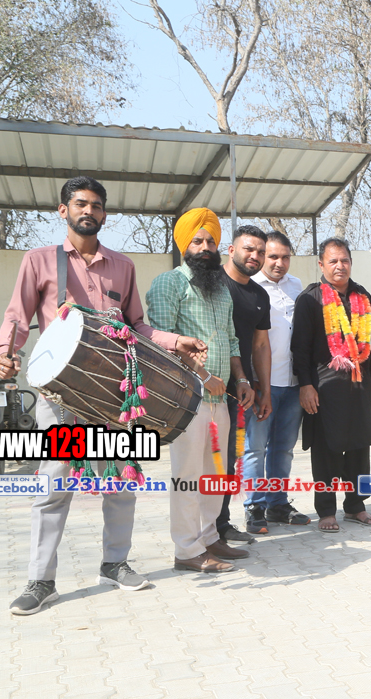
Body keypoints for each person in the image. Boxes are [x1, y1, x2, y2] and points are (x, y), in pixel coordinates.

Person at [0, 176, 207, 614]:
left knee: (120, 481)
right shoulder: (39, 261)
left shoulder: (122, 266)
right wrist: (4, 355)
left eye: (95, 205)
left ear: (105, 214)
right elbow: (16, 317)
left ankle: (115, 564)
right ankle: (41, 580)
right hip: (61, 396)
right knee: (55, 484)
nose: (88, 210)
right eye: (80, 203)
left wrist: (174, 342)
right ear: (63, 210)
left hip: (114, 397)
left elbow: (136, 326)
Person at [147, 208, 256, 573]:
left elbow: (232, 340)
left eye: (210, 240)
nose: (206, 247)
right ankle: (186, 550)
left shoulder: (221, 288)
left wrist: (241, 380)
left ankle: (210, 538)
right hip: (186, 399)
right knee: (187, 476)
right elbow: (162, 342)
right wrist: (203, 376)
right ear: (184, 245)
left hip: (219, 397)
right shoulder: (169, 283)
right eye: (197, 240)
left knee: (215, 474)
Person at [293, 238, 371, 531]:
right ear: (321, 264)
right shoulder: (310, 299)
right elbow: (300, 348)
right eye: (333, 261)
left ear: (351, 263)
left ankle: (356, 506)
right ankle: (326, 510)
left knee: (359, 447)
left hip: (358, 385)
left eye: (344, 260)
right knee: (326, 450)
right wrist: (305, 385)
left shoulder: (362, 295)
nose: (339, 266)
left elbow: (368, 342)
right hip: (324, 386)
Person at [244, 230, 309, 532]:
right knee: (255, 448)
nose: (279, 263)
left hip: (293, 384)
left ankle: (278, 504)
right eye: (272, 256)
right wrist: (254, 382)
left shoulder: (296, 285)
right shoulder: (250, 286)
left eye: (285, 257)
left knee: (283, 448)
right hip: (262, 385)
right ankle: (254, 506)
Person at [214, 225, 276, 542]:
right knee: (208, 458)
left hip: (241, 391)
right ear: (231, 250)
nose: (255, 256)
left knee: (229, 458)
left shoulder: (259, 295)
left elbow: (261, 346)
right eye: (248, 249)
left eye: (260, 251)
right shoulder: (212, 284)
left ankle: (221, 525)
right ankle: (204, 531)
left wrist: (265, 391)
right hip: (207, 384)